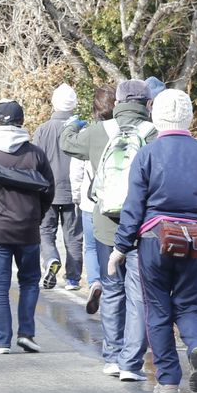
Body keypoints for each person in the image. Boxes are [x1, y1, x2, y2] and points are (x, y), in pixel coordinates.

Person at [109, 89, 197, 393]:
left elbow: (134, 206)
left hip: (155, 239)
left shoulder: (147, 153)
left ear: (156, 117)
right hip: (195, 237)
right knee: (192, 305)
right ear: (190, 116)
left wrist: (120, 247)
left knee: (157, 309)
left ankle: (167, 378)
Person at [61, 79, 156, 381]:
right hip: (142, 224)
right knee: (138, 293)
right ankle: (131, 362)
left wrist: (74, 121)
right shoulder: (153, 133)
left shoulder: (98, 131)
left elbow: (67, 141)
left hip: (105, 223)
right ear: (147, 103)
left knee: (112, 288)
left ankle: (112, 356)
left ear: (117, 103)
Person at [0, 100, 55, 354]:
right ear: (21, 122)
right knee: (29, 282)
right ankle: (26, 333)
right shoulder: (35, 154)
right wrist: (36, 215)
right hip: (28, 228)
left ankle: (2, 339)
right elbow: (48, 189)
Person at [35, 83, 85, 291]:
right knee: (73, 235)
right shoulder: (82, 128)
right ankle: (73, 279)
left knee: (45, 231)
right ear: (74, 104)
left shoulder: (43, 130)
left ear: (54, 103)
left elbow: (35, 161)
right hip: (75, 191)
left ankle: (50, 260)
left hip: (48, 191)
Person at [73, 86, 115, 314]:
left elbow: (76, 171)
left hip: (90, 203)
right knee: (113, 249)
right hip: (116, 202)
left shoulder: (89, 134)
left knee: (91, 247)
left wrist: (76, 197)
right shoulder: (124, 132)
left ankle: (95, 282)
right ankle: (112, 288)